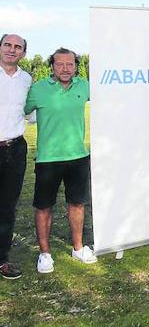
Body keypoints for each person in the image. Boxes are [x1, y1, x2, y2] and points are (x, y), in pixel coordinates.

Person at [24, 47, 97, 273]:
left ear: (76, 66)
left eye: (70, 64)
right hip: (48, 159)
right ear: (52, 66)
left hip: (78, 157)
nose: (65, 69)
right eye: (60, 64)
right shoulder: (37, 89)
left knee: (77, 204)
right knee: (44, 206)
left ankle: (77, 248)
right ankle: (45, 254)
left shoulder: (84, 86)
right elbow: (20, 111)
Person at [0, 34, 31, 279]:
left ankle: (2, 260)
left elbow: (31, 112)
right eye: (8, 45)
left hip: (15, 149)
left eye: (17, 47)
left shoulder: (27, 80)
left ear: (23, 53)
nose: (12, 50)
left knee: (7, 207)